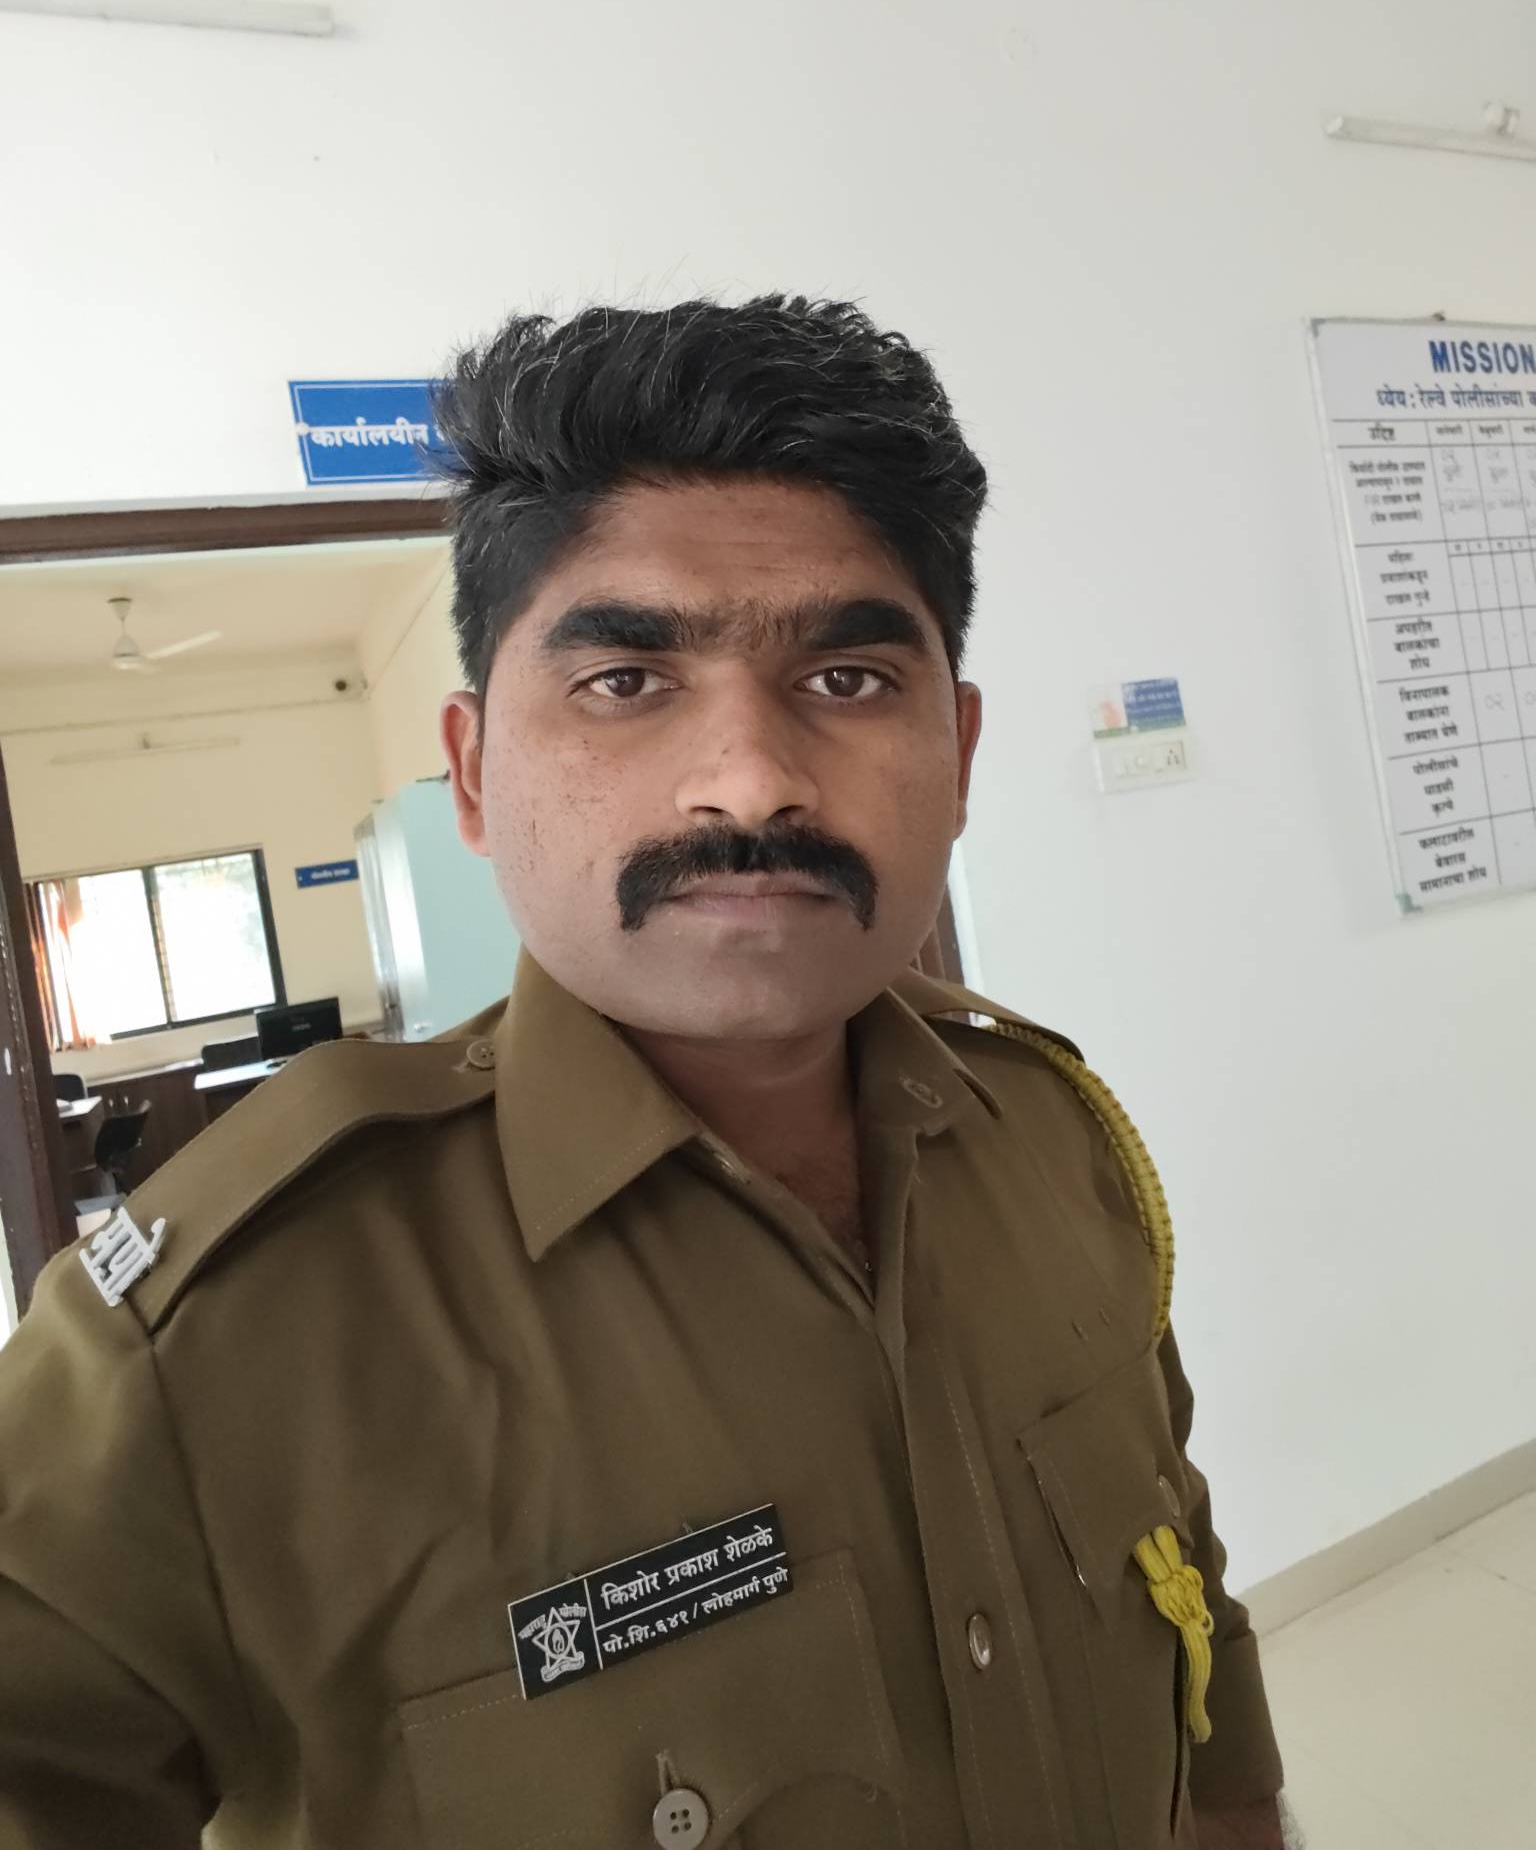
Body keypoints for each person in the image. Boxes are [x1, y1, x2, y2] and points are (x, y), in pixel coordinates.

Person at [0, 296, 1289, 1849]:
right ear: (474, 774)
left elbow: (1184, 1586)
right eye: (626, 681)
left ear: (957, 754)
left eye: (848, 679)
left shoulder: (1054, 1139)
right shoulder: (212, 1344)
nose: (749, 780)